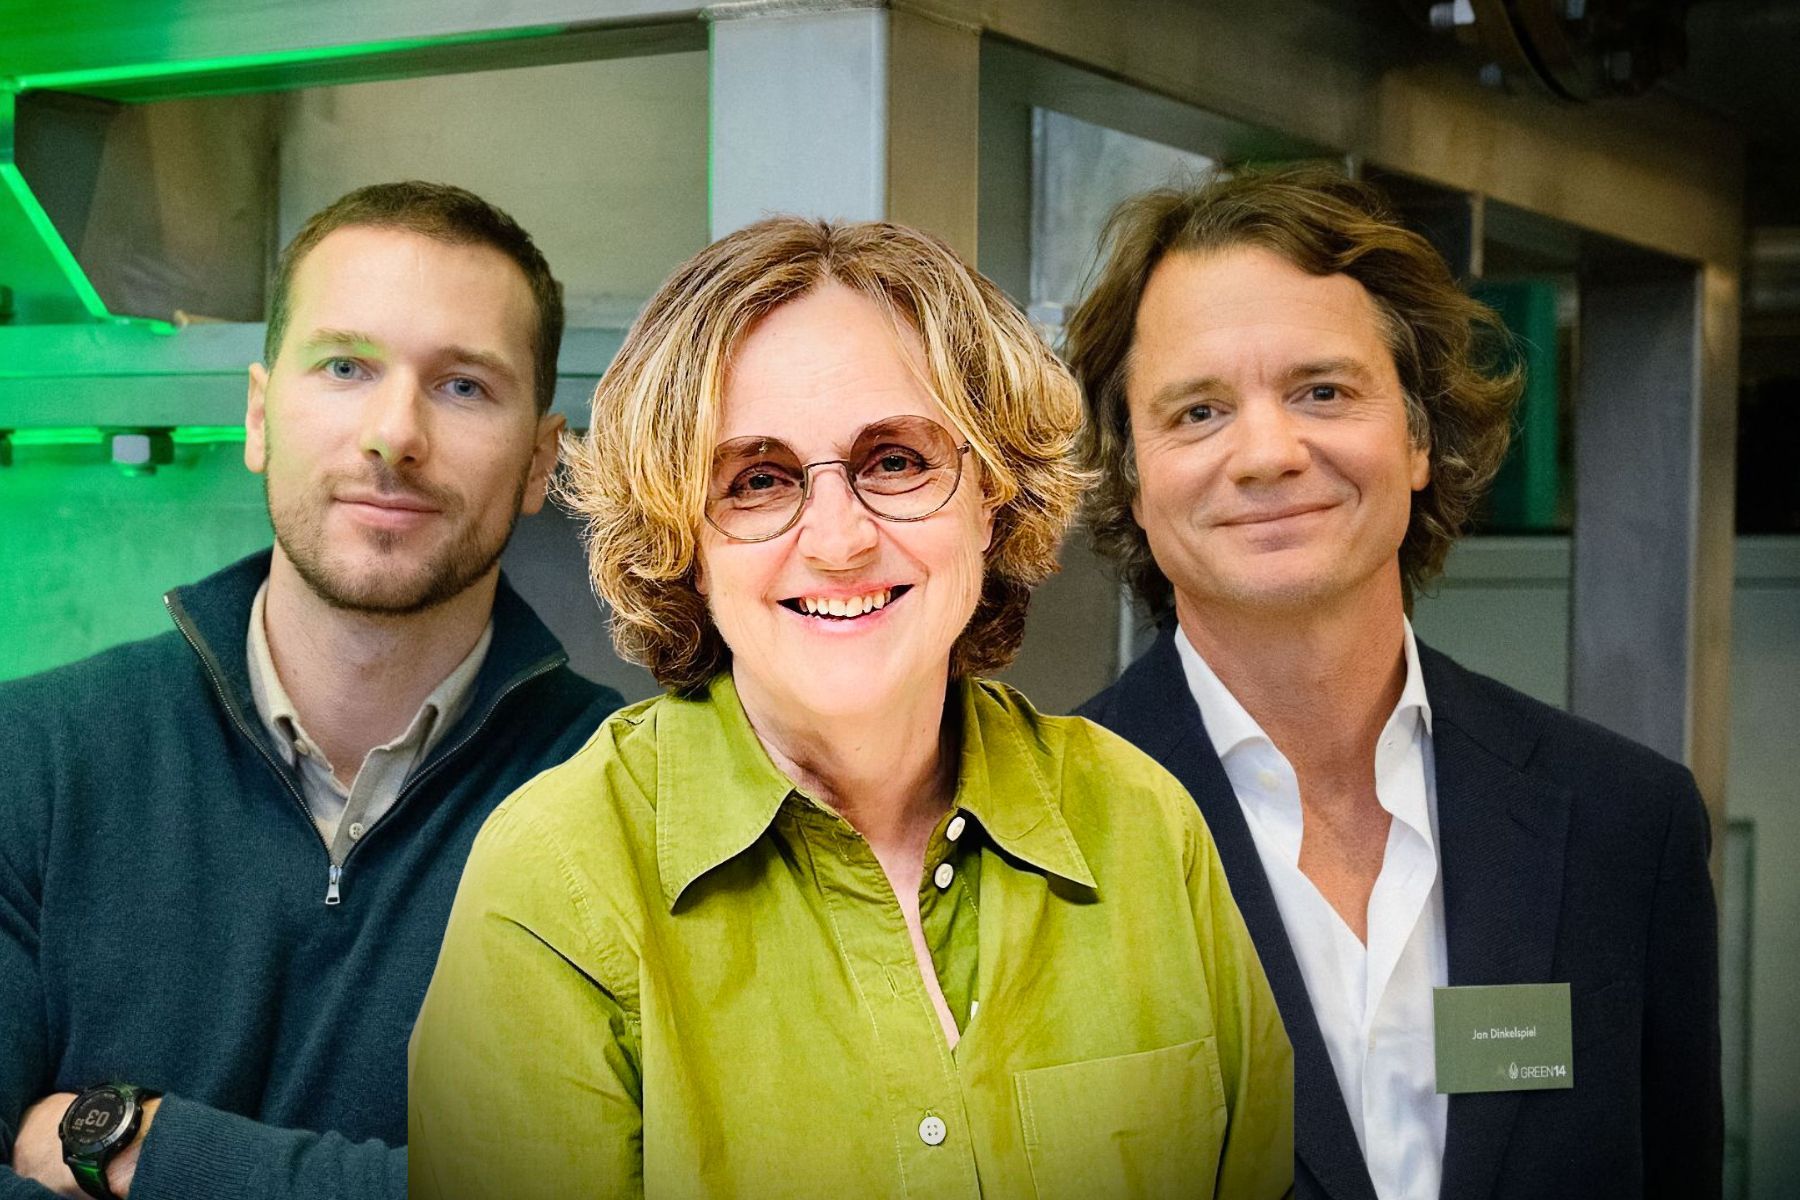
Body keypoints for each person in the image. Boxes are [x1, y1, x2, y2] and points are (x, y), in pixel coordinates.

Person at [408, 216, 1293, 1198]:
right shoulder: (559, 880)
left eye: (896, 462)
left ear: (993, 496)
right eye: (757, 481)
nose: (838, 542)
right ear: (682, 541)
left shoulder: (1144, 827)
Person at [1070, 166, 1721, 1200]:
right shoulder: (1026, 843)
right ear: (1130, 477)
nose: (1267, 453)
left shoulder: (1625, 825)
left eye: (1322, 391)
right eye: (1197, 411)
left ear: (1418, 437)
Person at [0, 181, 623, 1200]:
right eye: (345, 367)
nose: (394, 434)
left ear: (538, 461)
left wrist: (144, 1151)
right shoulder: (29, 760)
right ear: (258, 416)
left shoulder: (625, 802)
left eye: (464, 386)